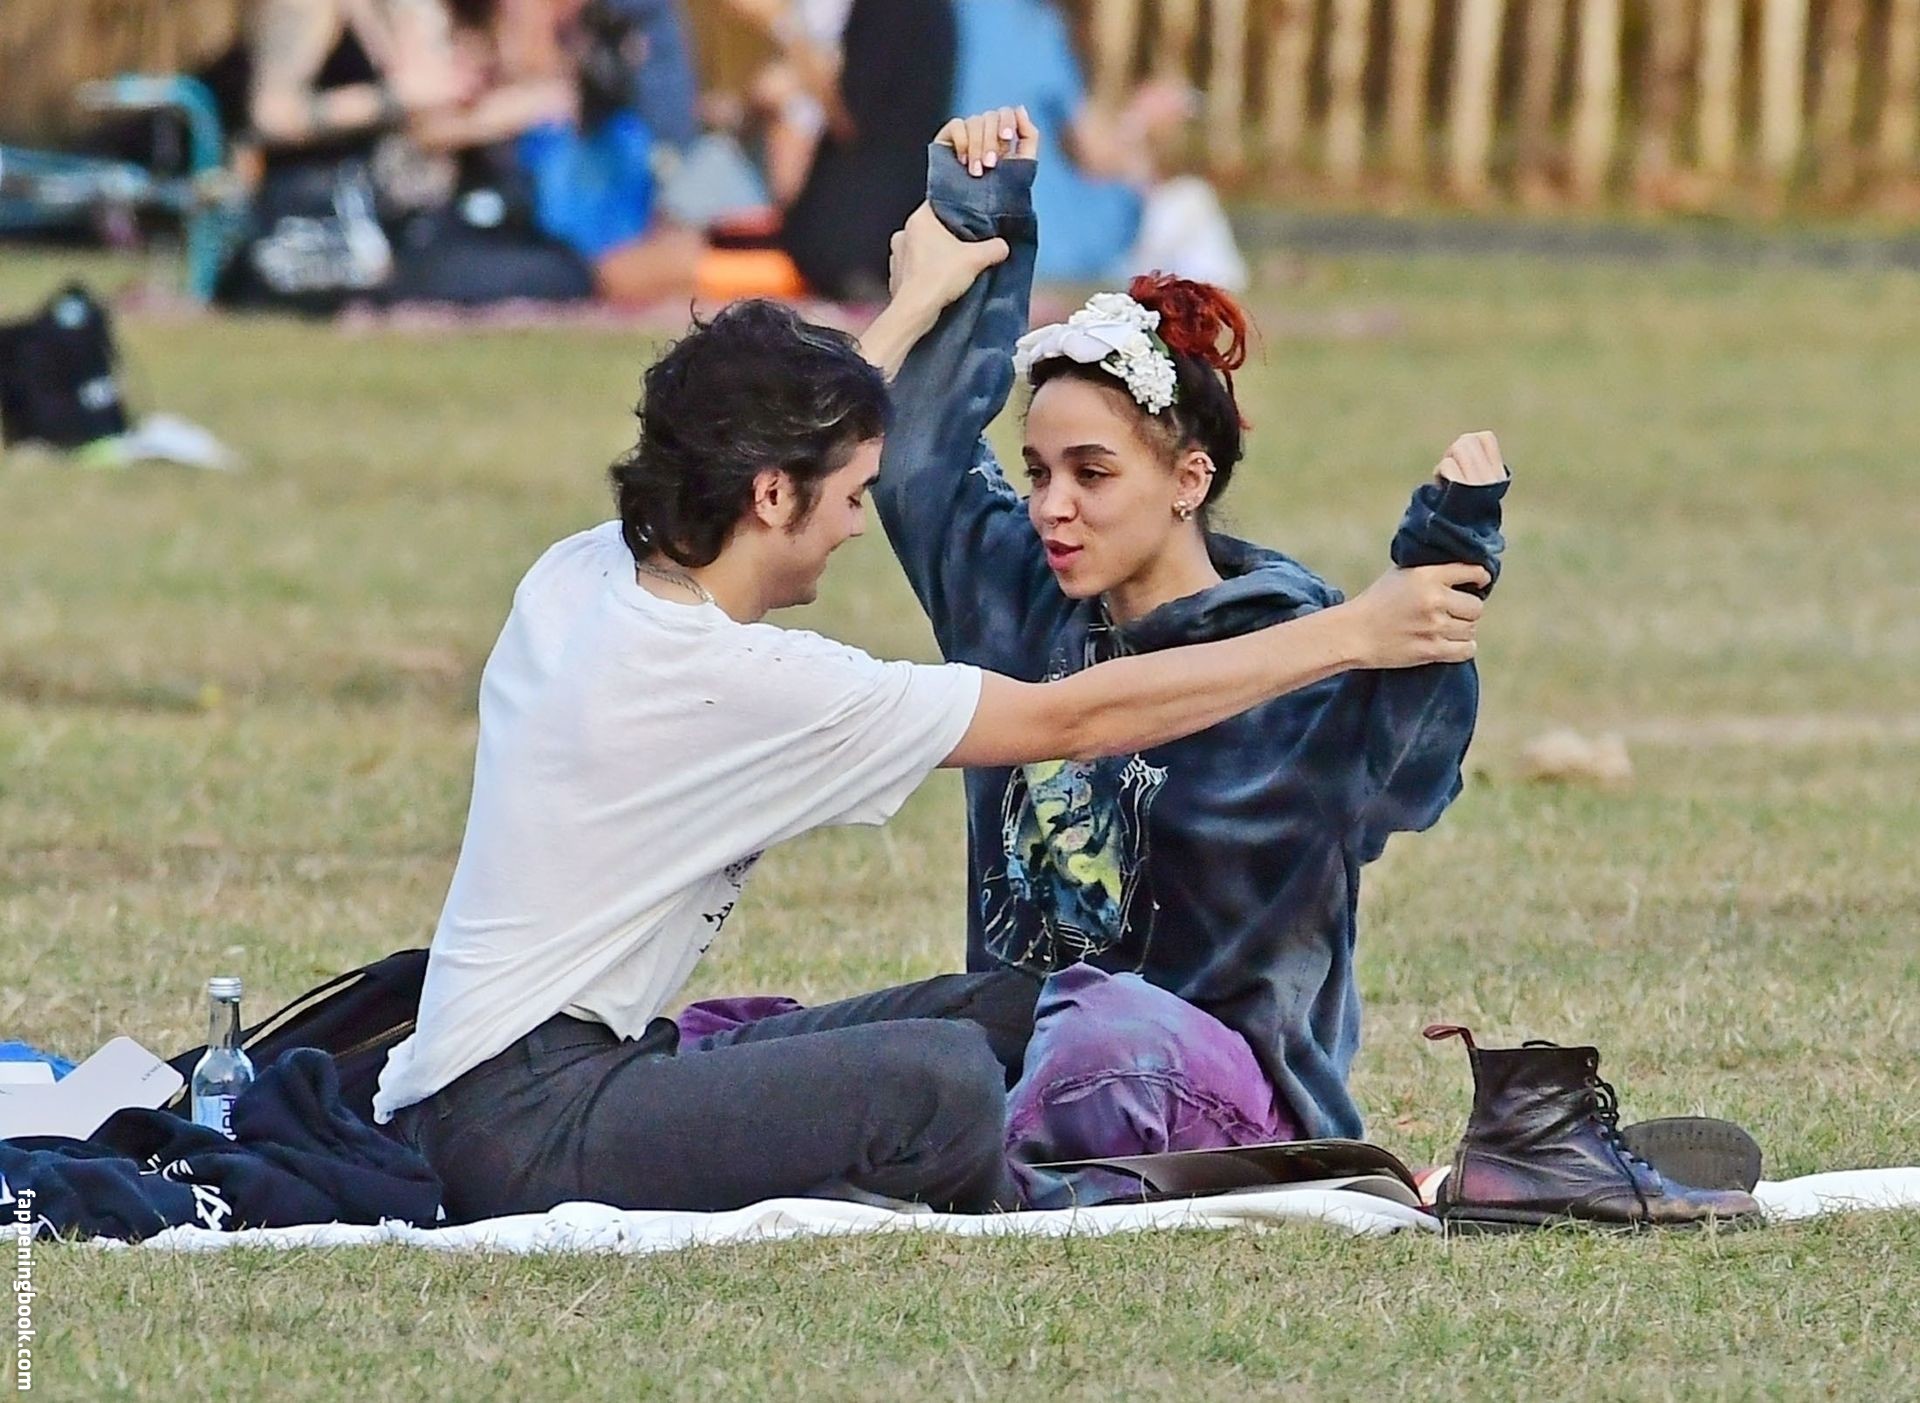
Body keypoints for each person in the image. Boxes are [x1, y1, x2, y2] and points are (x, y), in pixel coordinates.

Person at [371, 157, 1488, 1221]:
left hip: (515, 1081)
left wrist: (918, 298)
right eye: (848, 496)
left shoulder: (585, 572)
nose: (862, 521)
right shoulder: (748, 680)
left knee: (1003, 1012)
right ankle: (1047, 1199)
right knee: (944, 1078)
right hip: (527, 1121)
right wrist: (1354, 630)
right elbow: (1070, 717)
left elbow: (788, 440)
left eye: (1090, 474)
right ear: (772, 495)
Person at [873, 110, 1509, 1182]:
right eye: (1037, 472)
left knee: (1096, 1036)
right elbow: (919, 459)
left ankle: (963, 1144)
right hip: (1028, 1047)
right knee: (807, 1042)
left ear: (1188, 479)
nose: (1052, 505)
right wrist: (985, 218)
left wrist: (1446, 553)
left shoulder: (1296, 643)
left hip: (1225, 1091)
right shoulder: (1019, 600)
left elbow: (1411, 771)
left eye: (1092, 472)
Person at [951, 0, 1246, 288]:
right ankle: (1230, 306)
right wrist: (1142, 119)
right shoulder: (1030, 24)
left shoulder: (952, 16)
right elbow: (1095, 154)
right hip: (1057, 245)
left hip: (968, 232)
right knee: (1193, 201)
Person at [724, 0, 959, 300]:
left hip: (858, 236)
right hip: (880, 222)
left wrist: (783, 25)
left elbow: (852, 113)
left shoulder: (894, 10)